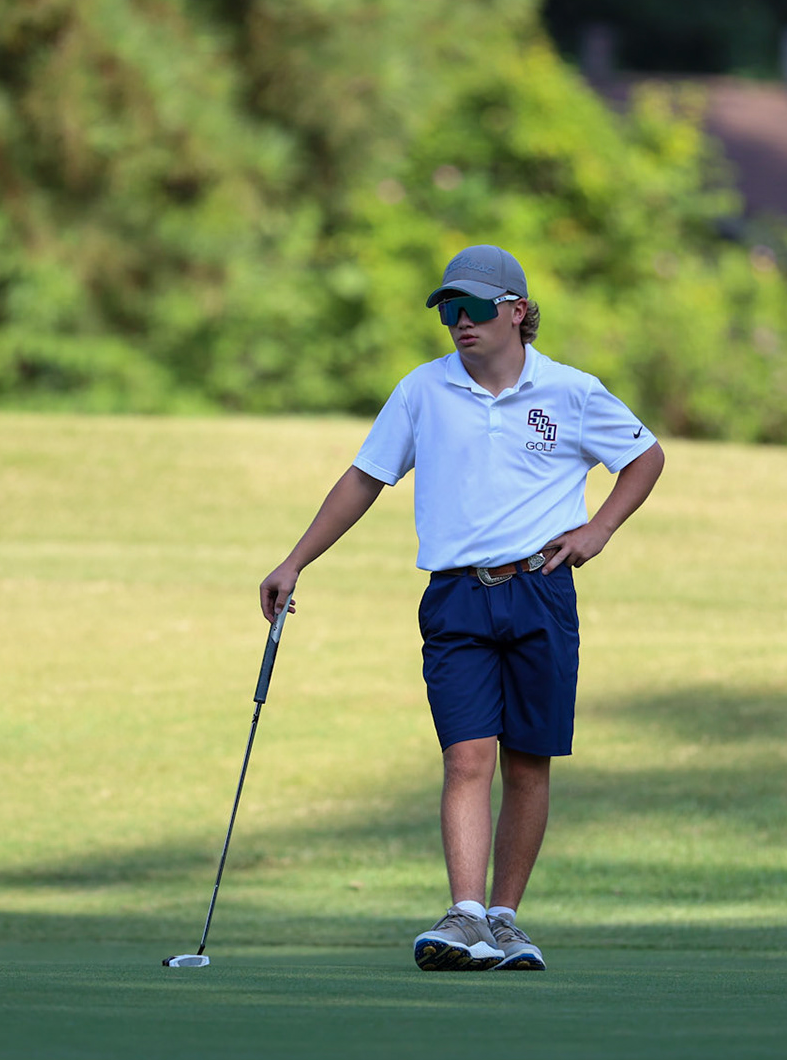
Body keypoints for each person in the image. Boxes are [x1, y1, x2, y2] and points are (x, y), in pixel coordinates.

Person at [258, 245, 665, 971]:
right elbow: (364, 479)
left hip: (541, 588)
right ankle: (465, 914)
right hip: (454, 596)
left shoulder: (570, 391)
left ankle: (506, 919)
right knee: (466, 756)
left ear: (516, 310)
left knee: (530, 762)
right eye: (449, 308)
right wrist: (295, 561)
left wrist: (598, 529)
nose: (459, 321)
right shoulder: (422, 390)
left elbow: (644, 456)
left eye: (474, 307)